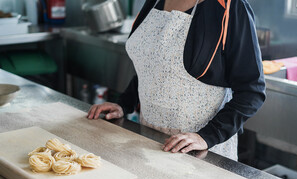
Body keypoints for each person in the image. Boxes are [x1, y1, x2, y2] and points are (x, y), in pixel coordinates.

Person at [87, 0, 266, 161]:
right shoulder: (154, 2)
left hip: (199, 151)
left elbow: (252, 91)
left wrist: (207, 137)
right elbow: (153, 66)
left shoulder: (230, 7)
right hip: (149, 139)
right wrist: (124, 104)